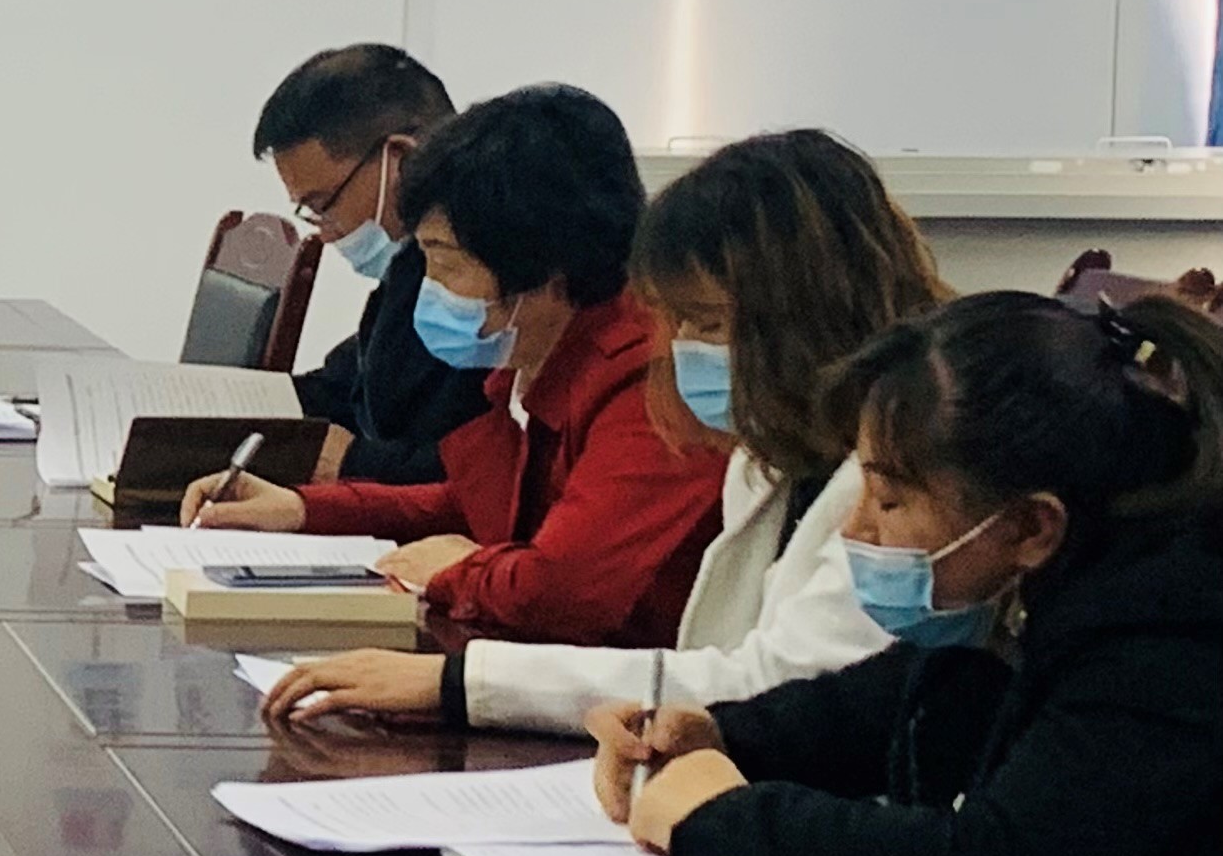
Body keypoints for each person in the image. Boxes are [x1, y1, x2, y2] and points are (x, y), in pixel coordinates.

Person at [586, 291, 1223, 856]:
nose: (855, 528)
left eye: (888, 500)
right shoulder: (1048, 584)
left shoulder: (1170, 633)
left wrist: (721, 820)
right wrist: (717, 734)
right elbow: (879, 704)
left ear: (1031, 525)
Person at [268, 130, 946, 727]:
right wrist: (305, 509)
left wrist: (460, 682)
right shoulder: (770, 453)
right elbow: (486, 505)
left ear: (803, 317)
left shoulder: (900, 481)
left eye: (707, 323)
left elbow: (762, 682)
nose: (679, 347)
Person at [190, 82, 725, 646]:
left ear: (538, 264)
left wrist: (456, 571)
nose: (430, 288)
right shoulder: (533, 352)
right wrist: (302, 509)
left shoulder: (649, 378)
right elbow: (474, 504)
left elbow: (561, 591)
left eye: (446, 264)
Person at [251, 44, 489, 483]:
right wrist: (240, 407)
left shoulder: (495, 270)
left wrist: (356, 462)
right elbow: (350, 382)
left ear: (401, 159)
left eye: (323, 204)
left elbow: (490, 472)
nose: (324, 232)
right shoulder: (409, 264)